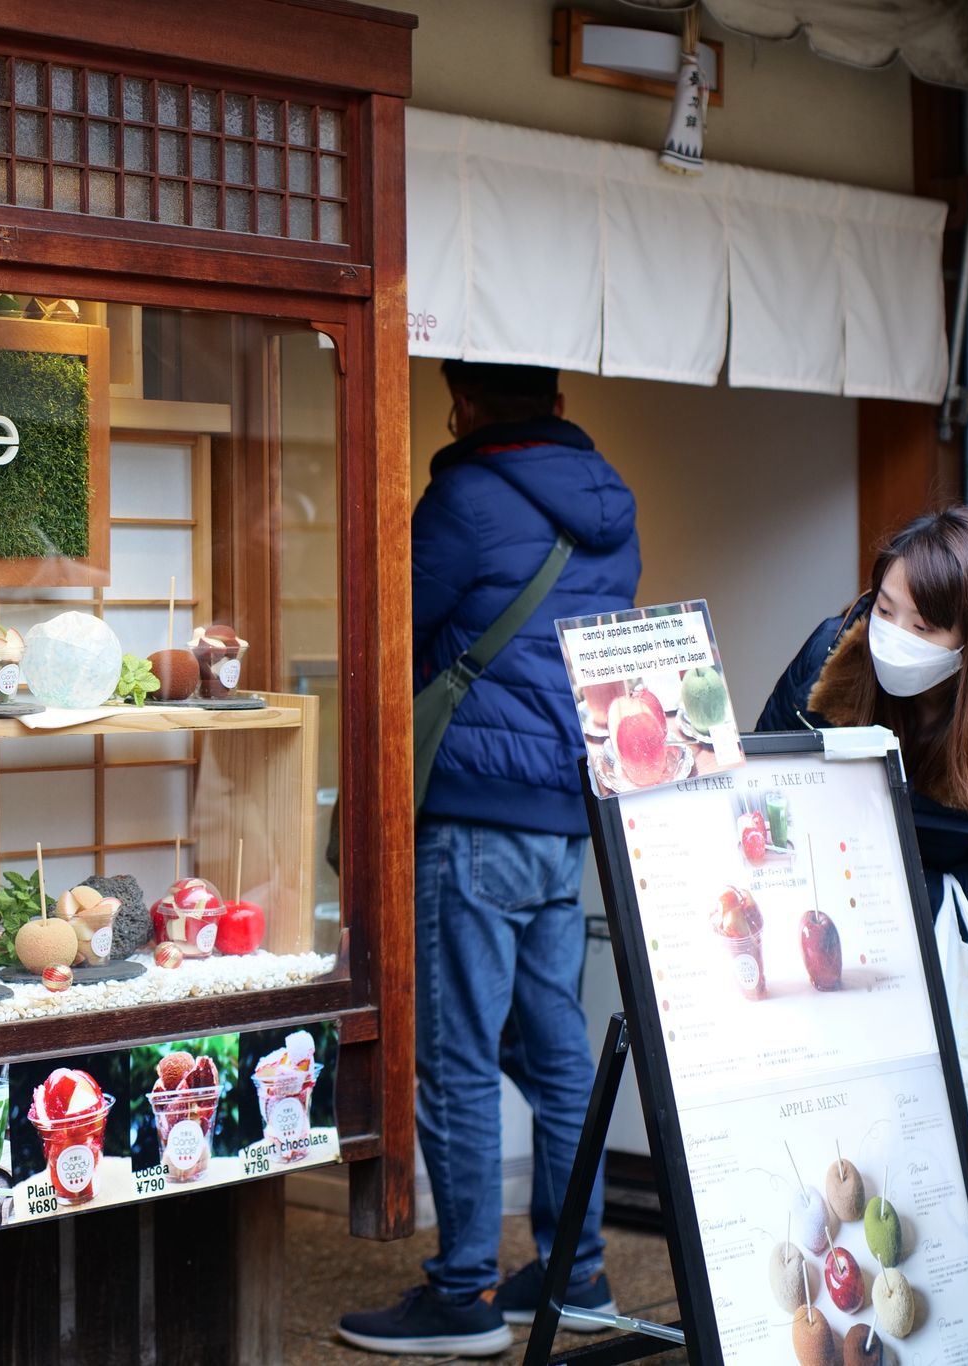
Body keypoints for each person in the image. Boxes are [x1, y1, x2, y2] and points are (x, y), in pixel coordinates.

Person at [339, 362, 639, 1357]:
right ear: (556, 408)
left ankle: (462, 1291)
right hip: (564, 817)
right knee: (556, 1048)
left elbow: (391, 632)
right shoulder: (612, 508)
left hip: (469, 814)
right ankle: (575, 1268)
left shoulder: (461, 498)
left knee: (457, 1055)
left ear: (461, 408)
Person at [757, 506, 968, 1001]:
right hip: (821, 947)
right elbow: (765, 773)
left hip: (959, 985)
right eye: (885, 611)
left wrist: (874, 889)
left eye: (924, 627)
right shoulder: (831, 657)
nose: (892, 636)